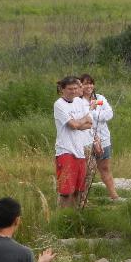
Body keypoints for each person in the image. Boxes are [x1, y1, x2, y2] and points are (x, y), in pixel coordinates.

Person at [80, 74, 120, 201]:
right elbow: (83, 120)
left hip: (104, 138)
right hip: (86, 140)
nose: (89, 86)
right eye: (86, 83)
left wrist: (94, 112)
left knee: (105, 168)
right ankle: (82, 198)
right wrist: (92, 112)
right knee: (87, 170)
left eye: (91, 83)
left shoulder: (99, 98)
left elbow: (109, 114)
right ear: (80, 85)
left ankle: (114, 196)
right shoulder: (78, 102)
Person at [54, 76, 93, 208]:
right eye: (70, 89)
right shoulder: (59, 104)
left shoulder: (79, 102)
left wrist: (78, 122)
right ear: (62, 89)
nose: (73, 91)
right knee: (66, 192)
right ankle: (63, 218)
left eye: (75, 88)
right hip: (65, 150)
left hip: (79, 151)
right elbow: (73, 125)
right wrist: (80, 122)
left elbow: (90, 123)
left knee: (78, 190)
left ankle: (74, 216)